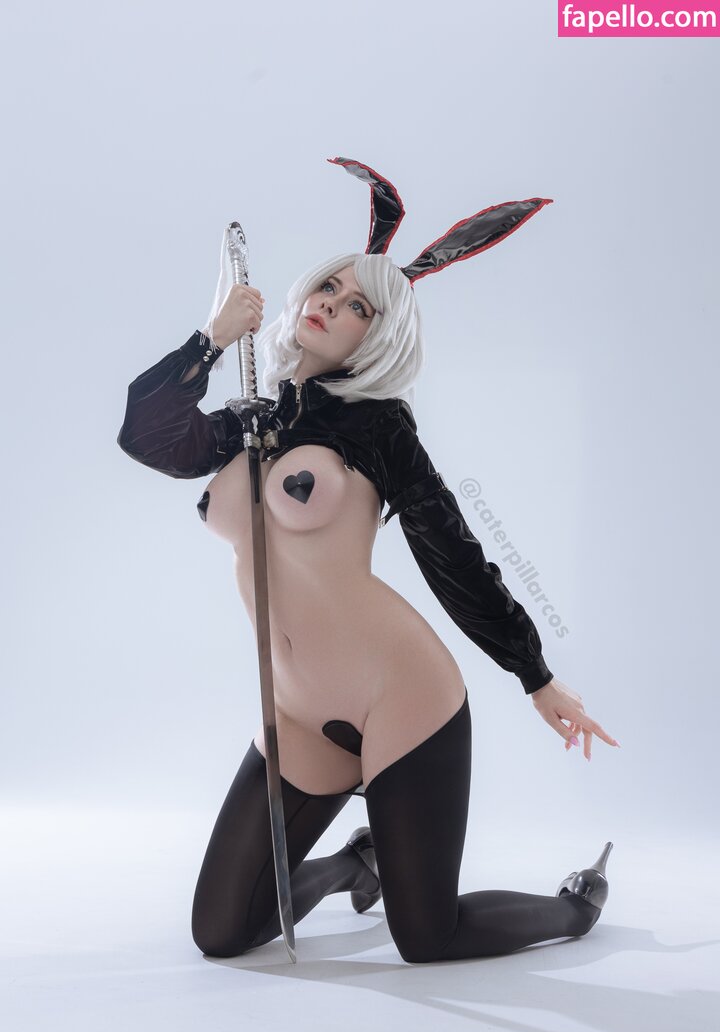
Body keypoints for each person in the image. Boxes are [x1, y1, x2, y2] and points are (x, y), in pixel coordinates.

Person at [117, 165, 620, 963]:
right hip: (296, 708)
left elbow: (453, 554)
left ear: (378, 337)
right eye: (329, 286)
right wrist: (210, 339)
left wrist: (535, 674)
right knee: (220, 934)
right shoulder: (257, 415)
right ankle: (356, 864)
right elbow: (147, 437)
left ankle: (575, 908)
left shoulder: (379, 426)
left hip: (400, 696)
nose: (332, 303)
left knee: (427, 937)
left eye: (359, 306)